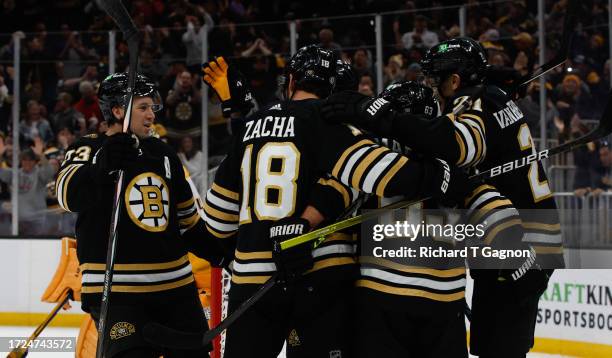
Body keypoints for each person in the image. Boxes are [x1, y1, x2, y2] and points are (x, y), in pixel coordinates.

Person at [201, 45, 471, 358]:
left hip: (253, 282)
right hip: (321, 275)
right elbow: (388, 175)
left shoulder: (249, 129)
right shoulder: (332, 125)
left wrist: (254, 243)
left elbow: (216, 221)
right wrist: (443, 174)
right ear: (334, 89)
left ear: (290, 81)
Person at [321, 37, 563, 358]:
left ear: (455, 80)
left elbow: (454, 145)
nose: (429, 86)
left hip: (518, 245)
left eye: (434, 79)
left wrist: (384, 118)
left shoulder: (477, 102)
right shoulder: (492, 97)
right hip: (520, 233)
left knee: (499, 349)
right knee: (493, 345)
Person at [55, 72, 231, 357]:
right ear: (117, 110)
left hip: (176, 291)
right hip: (117, 292)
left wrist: (225, 254)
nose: (152, 115)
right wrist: (104, 165)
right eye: (143, 107)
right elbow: (67, 196)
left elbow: (188, 224)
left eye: (152, 107)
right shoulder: (88, 148)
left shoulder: (163, 154)